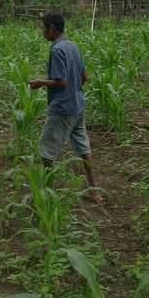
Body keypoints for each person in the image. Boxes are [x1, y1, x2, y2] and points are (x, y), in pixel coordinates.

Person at [29, 11, 102, 203]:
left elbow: (61, 82)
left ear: (52, 29)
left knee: (46, 153)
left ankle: (46, 195)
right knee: (84, 150)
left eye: (44, 28)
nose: (42, 31)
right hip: (78, 107)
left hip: (62, 109)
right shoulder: (72, 46)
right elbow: (84, 77)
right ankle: (94, 191)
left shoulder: (56, 50)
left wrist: (40, 82)